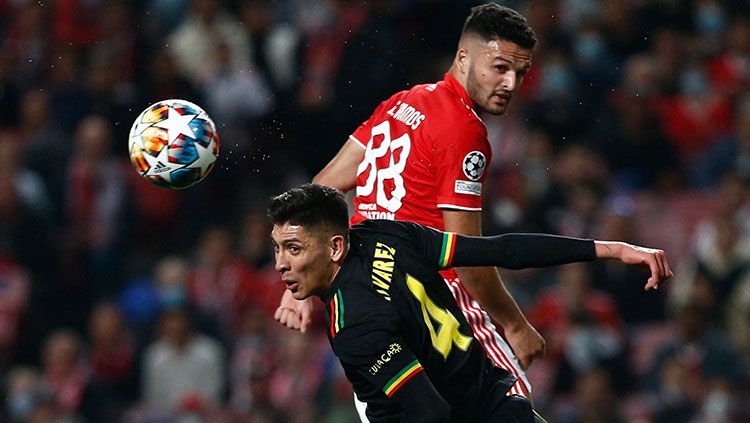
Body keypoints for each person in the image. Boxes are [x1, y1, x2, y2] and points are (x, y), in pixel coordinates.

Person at [275, 3, 543, 398]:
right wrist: (516, 324)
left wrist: (297, 284)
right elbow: (466, 261)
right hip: (434, 307)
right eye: (500, 67)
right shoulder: (464, 130)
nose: (510, 83)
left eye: (519, 73)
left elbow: (321, 190)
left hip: (368, 309)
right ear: (464, 57)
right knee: (513, 407)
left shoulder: (400, 104)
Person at [268, 183, 672, 422]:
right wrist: (612, 249)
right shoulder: (383, 234)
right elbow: (502, 250)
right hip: (504, 407)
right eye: (277, 249)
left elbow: (430, 413)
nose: (280, 265)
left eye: (293, 249)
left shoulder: (351, 323)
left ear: (335, 246)